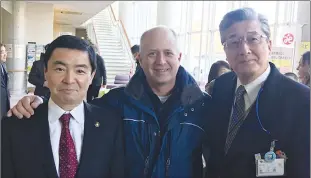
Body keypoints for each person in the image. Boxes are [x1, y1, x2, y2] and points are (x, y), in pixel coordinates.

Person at [8, 26, 211, 178]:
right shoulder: (116, 103)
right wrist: (38, 101)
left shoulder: (203, 106)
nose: (160, 61)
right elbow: (70, 103)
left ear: (180, 56)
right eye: (151, 53)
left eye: (168, 53)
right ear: (139, 59)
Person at [205, 8, 310, 178]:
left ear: (269, 44)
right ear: (225, 50)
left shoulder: (302, 101)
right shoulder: (218, 88)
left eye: (253, 39)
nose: (244, 50)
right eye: (233, 42)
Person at [2, 35, 124, 178]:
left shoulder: (110, 125)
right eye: (60, 69)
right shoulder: (15, 126)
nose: (69, 80)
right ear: (45, 72)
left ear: (91, 76)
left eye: (80, 71)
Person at [0, 43, 10, 119]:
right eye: (2, 52)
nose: (5, 54)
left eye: (5, 52)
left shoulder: (4, 65)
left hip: (4, 103)